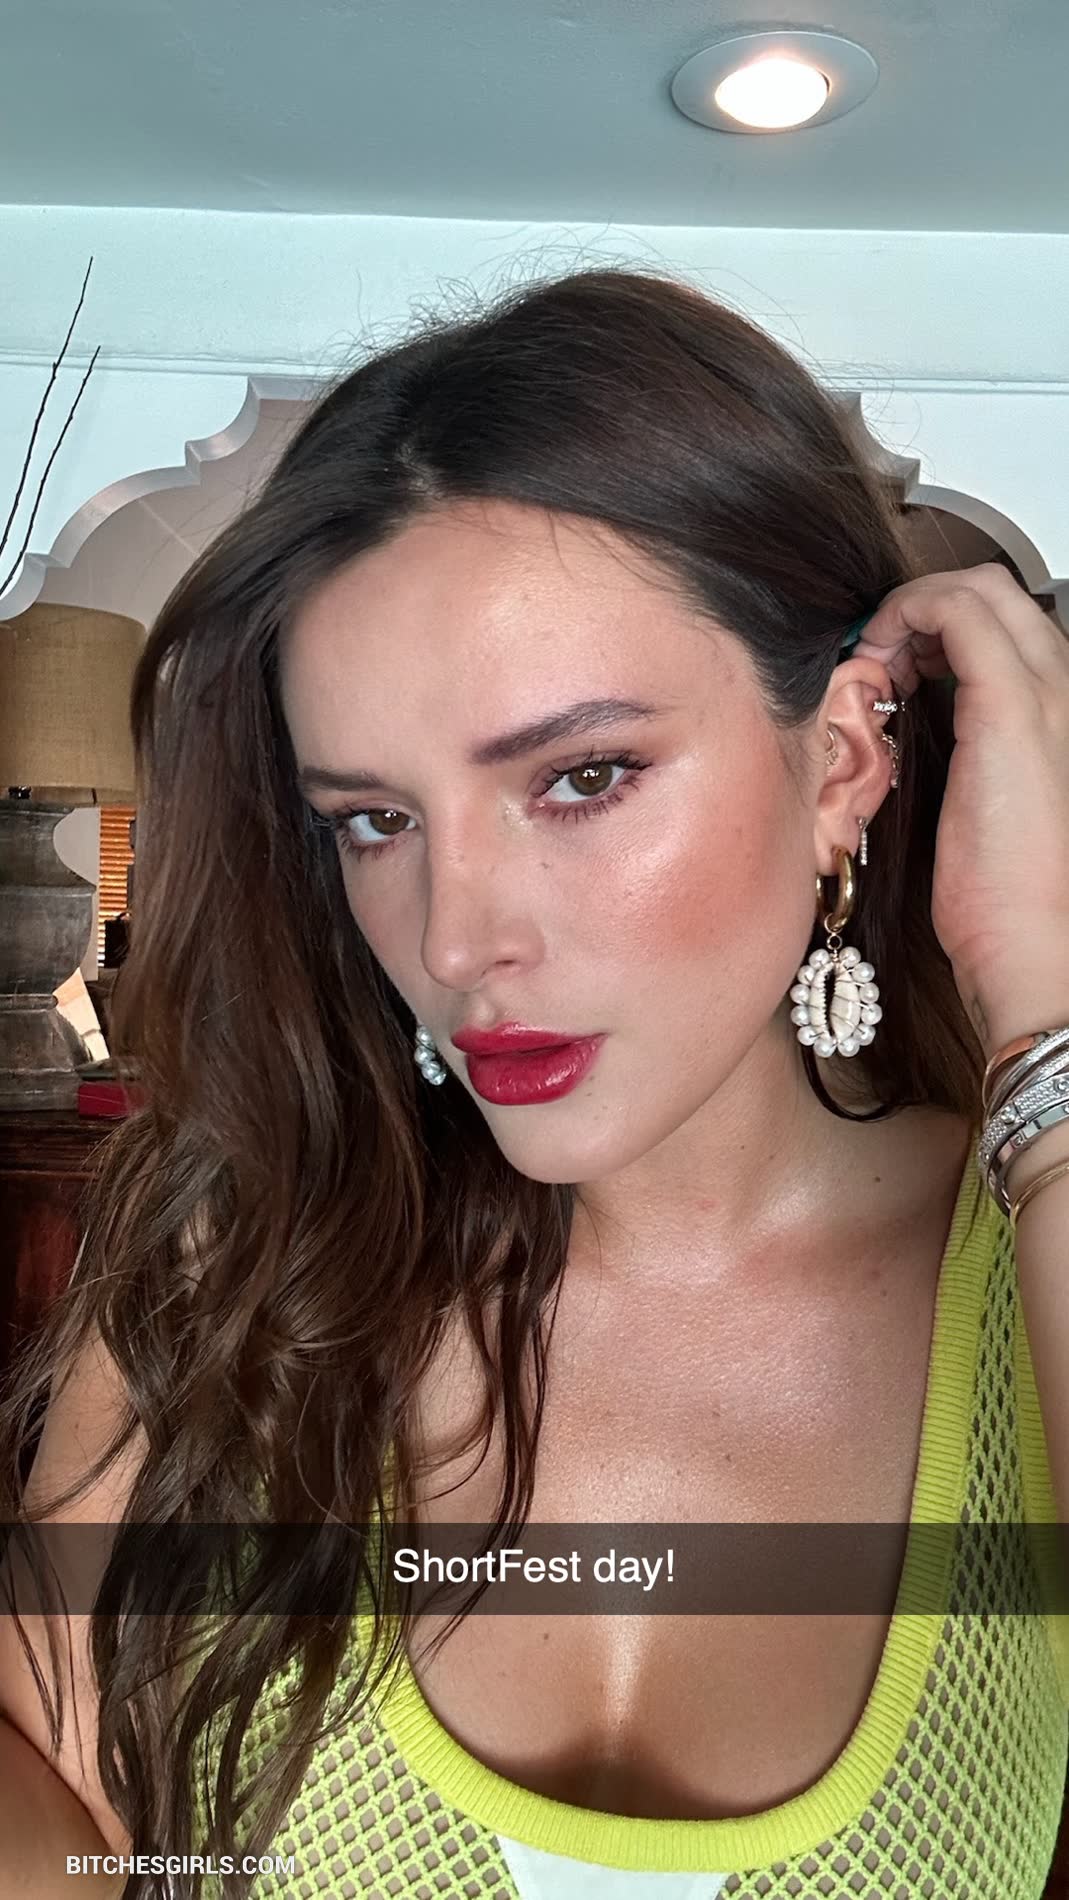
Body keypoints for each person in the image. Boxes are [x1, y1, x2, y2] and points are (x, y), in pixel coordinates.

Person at [1, 264, 1067, 1900]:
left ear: (841, 759)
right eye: (374, 820)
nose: (455, 938)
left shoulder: (1022, 1278)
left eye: (581, 777)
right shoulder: (239, 1260)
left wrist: (1040, 1002)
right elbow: (63, 1807)